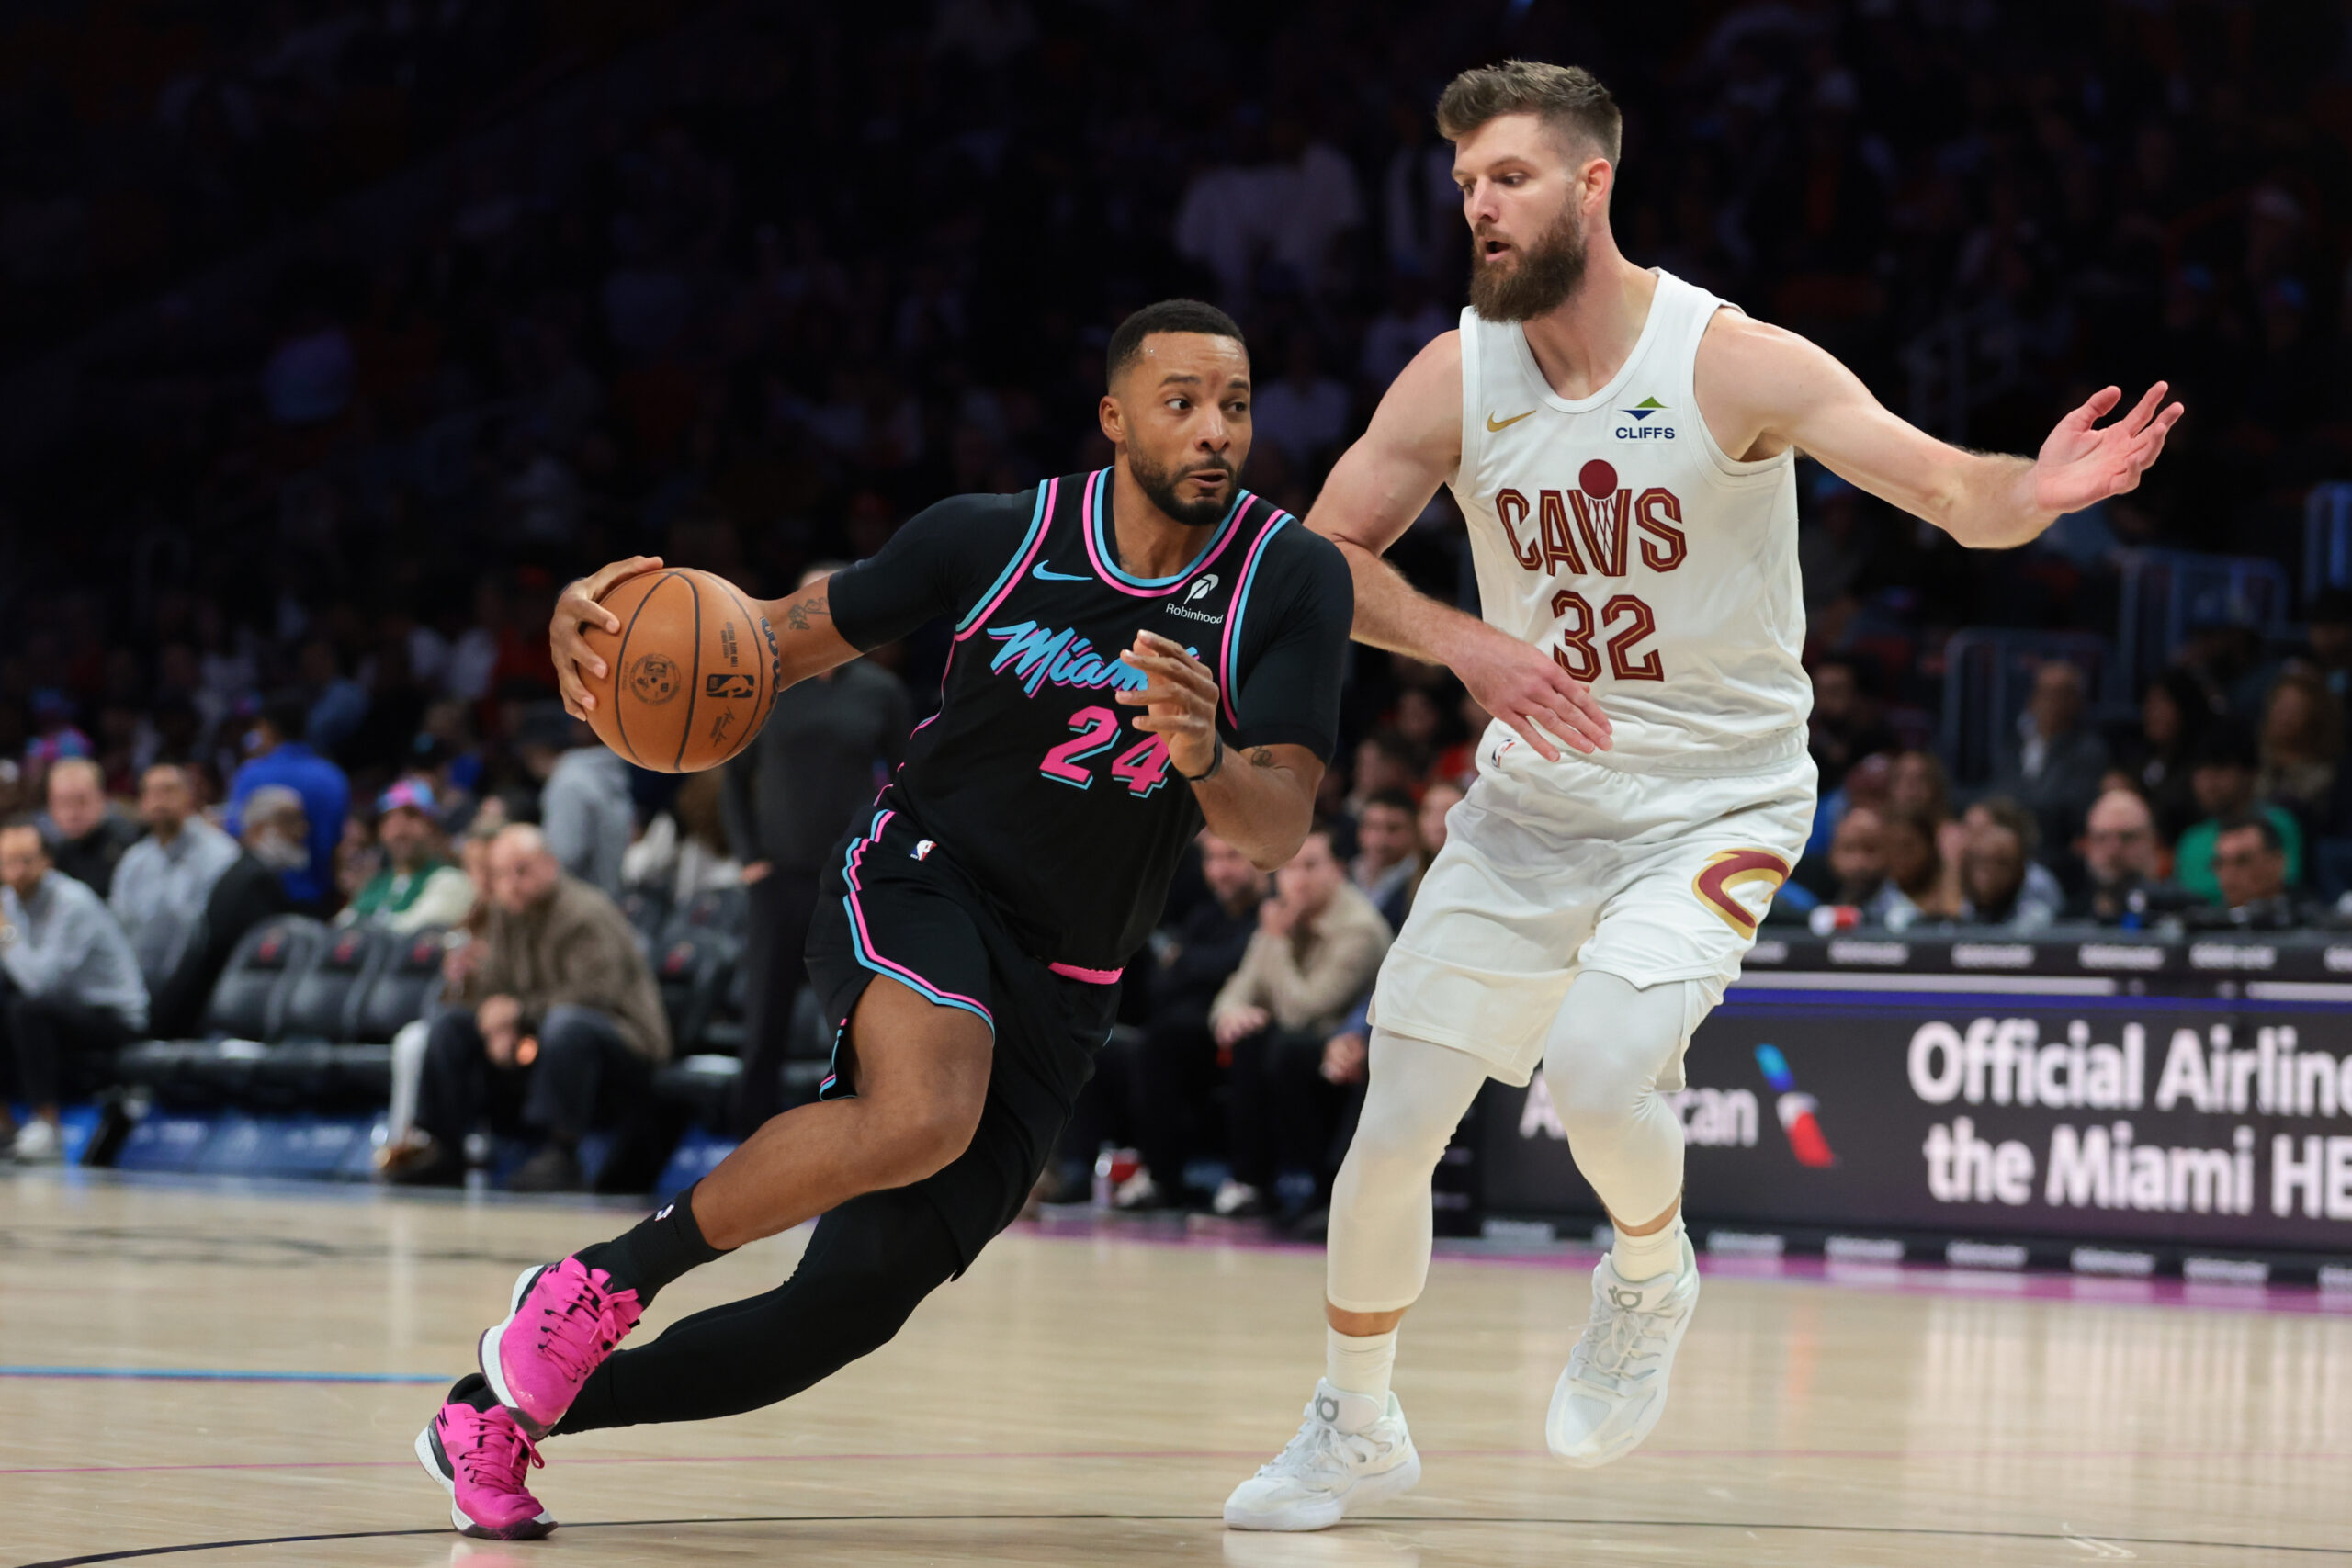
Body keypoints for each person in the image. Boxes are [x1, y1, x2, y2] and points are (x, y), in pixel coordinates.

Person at [1225, 60, 2179, 1531]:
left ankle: (1652, 1270)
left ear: (1593, 184)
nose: (1480, 204)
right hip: (1534, 799)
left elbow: (1947, 492)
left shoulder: (1727, 358)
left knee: (1598, 1070)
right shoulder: (1452, 375)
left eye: (1512, 177)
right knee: (1396, 1121)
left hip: (1714, 797)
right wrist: (1466, 639)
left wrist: (2030, 493)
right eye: (1467, 180)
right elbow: (1317, 560)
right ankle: (1354, 1426)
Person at [412, 298, 1351, 1541]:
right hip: (925, 871)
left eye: (1234, 405)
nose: (1215, 430)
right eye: (1182, 402)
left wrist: (1202, 755)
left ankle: (499, 1411)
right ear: (1116, 417)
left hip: (1071, 975)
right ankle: (598, 1282)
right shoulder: (994, 535)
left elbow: (1278, 820)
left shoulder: (1291, 576)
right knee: (923, 1107)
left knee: (832, 1316)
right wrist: (598, 638)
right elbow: (763, 641)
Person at [720, 564, 911, 1135]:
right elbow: (731, 775)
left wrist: (889, 858)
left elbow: (908, 778)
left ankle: (857, 1140)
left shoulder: (882, 691)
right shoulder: (765, 681)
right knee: (764, 1022)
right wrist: (748, 856)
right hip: (777, 877)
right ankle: (744, 1146)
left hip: (852, 879)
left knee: (855, 1018)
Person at [397, 824, 668, 1194]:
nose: (510, 883)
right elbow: (495, 990)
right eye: (500, 874)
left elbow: (598, 993)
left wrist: (519, 1013)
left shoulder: (584, 912)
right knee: (451, 1025)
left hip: (624, 1041)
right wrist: (493, 1017)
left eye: (521, 870)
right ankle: (445, 1149)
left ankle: (561, 1153)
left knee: (567, 1024)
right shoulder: (504, 913)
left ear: (550, 865)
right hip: (542, 1033)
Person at [1207, 824, 1393, 1218]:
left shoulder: (1359, 930)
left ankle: (1315, 1189)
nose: (1298, 879)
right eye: (1289, 868)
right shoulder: (1285, 916)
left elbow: (1303, 1013)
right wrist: (1230, 1014)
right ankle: (1250, 1185)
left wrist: (1274, 941)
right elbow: (1238, 989)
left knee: (1284, 1048)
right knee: (1246, 1038)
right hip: (1304, 1047)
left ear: (1338, 870)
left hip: (1352, 1051)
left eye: (1311, 866)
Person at [1122, 829, 1265, 1211]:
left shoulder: (1269, 914)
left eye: (1231, 858)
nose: (1220, 871)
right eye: (1212, 859)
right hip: (1192, 1030)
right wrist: (1200, 966)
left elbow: (1240, 965)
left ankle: (1247, 1182)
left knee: (1173, 1037)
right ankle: (1157, 1176)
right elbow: (1159, 983)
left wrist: (1186, 963)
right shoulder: (1204, 916)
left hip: (1244, 1026)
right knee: (1143, 1041)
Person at [0, 818, 148, 1163]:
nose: (15, 871)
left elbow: (41, 982)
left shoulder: (72, 903)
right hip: (60, 1012)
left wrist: (5, 935)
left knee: (28, 1009)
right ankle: (4, 1125)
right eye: (7, 862)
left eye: (25, 860)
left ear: (46, 860)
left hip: (113, 1016)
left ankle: (47, 1125)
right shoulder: (8, 901)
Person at [108, 763, 242, 997]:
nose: (159, 800)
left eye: (168, 791)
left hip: (198, 977)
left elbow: (215, 933)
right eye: (151, 792)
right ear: (142, 802)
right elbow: (120, 924)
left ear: (189, 796)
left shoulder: (221, 854)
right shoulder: (134, 860)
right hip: (139, 975)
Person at [224, 694, 350, 913]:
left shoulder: (251, 775)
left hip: (263, 905)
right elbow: (337, 843)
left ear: (269, 729)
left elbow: (238, 837)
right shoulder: (332, 776)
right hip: (320, 902)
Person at [2177, 722, 2304, 903]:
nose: (2208, 782)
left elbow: (2284, 885)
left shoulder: (2279, 823)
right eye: (2200, 770)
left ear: (2250, 774)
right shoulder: (2191, 840)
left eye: (2220, 769)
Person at [1990, 660, 2111, 851]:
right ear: (2032, 699)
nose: (2052, 702)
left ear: (2077, 702)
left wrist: (2011, 810)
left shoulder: (2089, 751)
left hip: (2054, 852)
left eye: (2062, 694)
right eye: (2045, 692)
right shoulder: (2011, 746)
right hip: (2005, 847)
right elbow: (1995, 791)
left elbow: (2068, 809)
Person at [514, 705, 632, 897]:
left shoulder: (568, 783)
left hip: (590, 905)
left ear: (536, 749)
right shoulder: (594, 772)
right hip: (611, 897)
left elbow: (563, 857)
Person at [338, 780, 476, 932]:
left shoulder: (450, 881)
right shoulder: (374, 886)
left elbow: (414, 933)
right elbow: (339, 931)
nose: (399, 829)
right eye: (389, 818)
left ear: (432, 827)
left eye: (411, 816)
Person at [38, 758, 142, 899]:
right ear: (50, 806)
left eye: (81, 801)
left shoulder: (128, 840)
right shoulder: (48, 850)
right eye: (63, 802)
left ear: (102, 798)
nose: (72, 813)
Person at [1956, 798, 2061, 931]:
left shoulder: (2038, 886)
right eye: (1980, 861)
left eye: (1999, 863)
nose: (1986, 871)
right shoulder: (1964, 896)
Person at [2065, 789, 2165, 923]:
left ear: (2153, 842)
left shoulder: (2186, 913)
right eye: (2101, 838)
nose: (2113, 850)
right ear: (2087, 845)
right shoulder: (2066, 920)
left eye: (2127, 837)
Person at [2186, 813, 2301, 930]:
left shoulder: (2309, 923)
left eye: (2242, 861)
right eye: (2220, 863)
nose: (2229, 873)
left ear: (2277, 863)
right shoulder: (2202, 926)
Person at [1349, 788, 1421, 931]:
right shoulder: (1342, 875)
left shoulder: (1421, 881)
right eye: (1373, 827)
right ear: (1361, 831)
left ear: (1413, 832)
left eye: (1393, 829)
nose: (1380, 840)